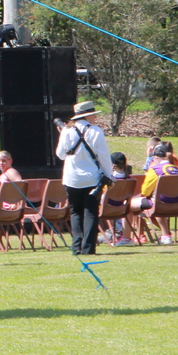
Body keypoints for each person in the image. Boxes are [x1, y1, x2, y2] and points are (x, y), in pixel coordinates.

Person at [56, 101, 116, 260]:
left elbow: (61, 155)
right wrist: (109, 176)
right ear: (87, 115)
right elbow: (103, 156)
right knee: (90, 212)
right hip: (91, 178)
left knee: (75, 212)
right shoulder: (96, 131)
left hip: (72, 178)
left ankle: (76, 246)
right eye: (94, 114)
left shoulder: (66, 131)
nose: (95, 116)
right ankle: (88, 247)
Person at [131, 141, 178, 245]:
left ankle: (126, 238)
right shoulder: (176, 169)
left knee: (129, 205)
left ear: (155, 158)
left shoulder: (154, 169)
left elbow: (145, 191)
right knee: (159, 200)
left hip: (160, 203)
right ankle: (166, 236)